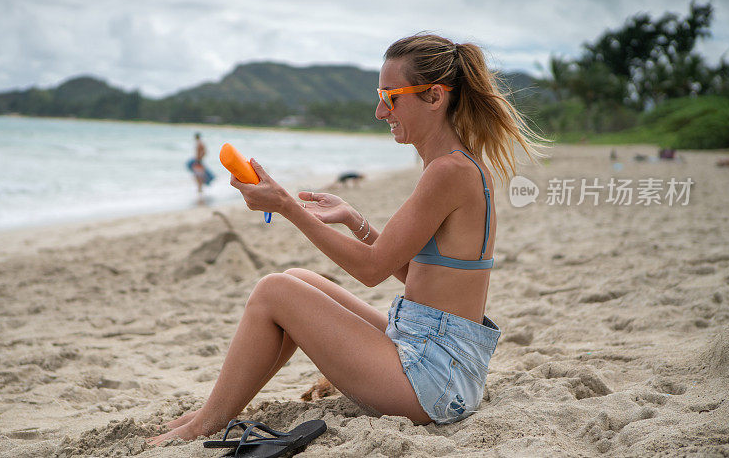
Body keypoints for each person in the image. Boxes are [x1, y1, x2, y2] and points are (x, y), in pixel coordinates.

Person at [148, 34, 545, 445]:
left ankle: (205, 423)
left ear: (434, 97)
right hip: (442, 363)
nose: (379, 111)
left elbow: (371, 270)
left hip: (434, 381)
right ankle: (219, 408)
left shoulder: (448, 172)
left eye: (391, 97)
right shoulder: (460, 167)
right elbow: (420, 278)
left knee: (274, 291)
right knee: (300, 279)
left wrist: (287, 205)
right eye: (380, 96)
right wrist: (356, 221)